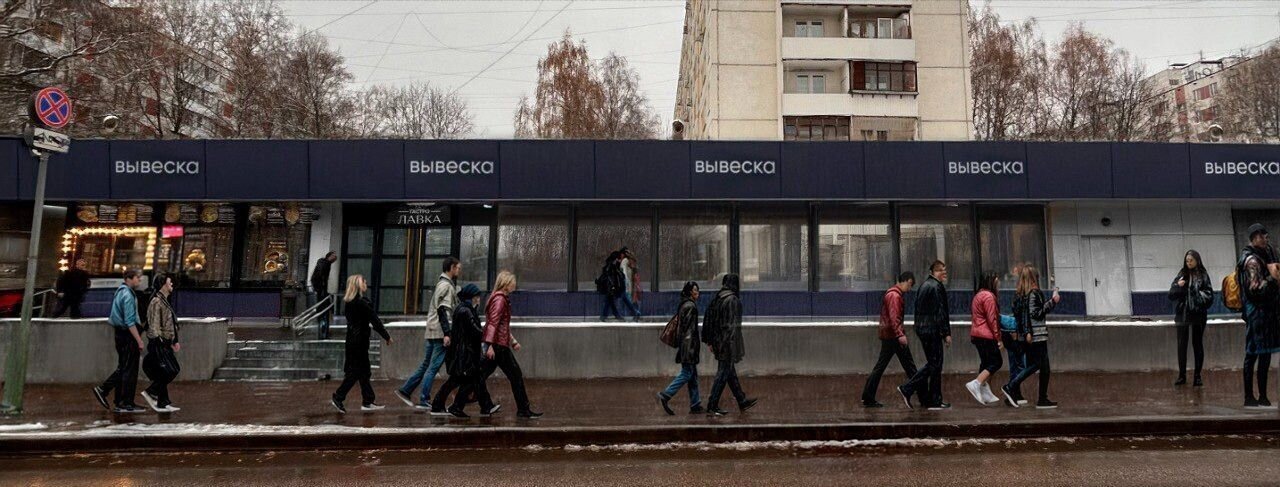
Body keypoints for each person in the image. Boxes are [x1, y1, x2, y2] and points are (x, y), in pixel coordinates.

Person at [396, 257, 460, 409]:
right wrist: (447, 333)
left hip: (432, 329)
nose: (458, 271)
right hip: (439, 331)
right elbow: (443, 310)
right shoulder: (447, 286)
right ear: (451, 267)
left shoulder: (440, 284)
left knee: (426, 365)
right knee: (433, 366)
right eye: (457, 268)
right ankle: (424, 399)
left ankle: (406, 390)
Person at [430, 283, 498, 418]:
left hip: (464, 354)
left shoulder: (466, 309)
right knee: (460, 380)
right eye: (477, 297)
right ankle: (450, 406)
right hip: (464, 355)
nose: (479, 300)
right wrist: (488, 335)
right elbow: (474, 330)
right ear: (472, 297)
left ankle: (485, 406)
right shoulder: (465, 311)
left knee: (471, 379)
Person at [481, 271, 542, 418]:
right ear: (506, 283)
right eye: (512, 282)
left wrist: (512, 341)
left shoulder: (500, 298)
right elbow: (493, 324)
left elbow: (501, 326)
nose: (514, 285)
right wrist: (488, 345)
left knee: (479, 376)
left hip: (498, 344)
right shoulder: (500, 300)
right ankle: (523, 409)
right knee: (516, 376)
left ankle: (458, 403)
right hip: (498, 347)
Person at [1001, 266, 1061, 409]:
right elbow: (1036, 313)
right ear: (1035, 278)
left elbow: (1022, 315)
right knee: (1037, 365)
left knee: (1042, 367)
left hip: (1029, 335)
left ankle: (1042, 398)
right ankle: (1011, 386)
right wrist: (1053, 302)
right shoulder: (1034, 293)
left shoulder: (1021, 294)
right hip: (1037, 335)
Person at [331, 274, 392, 413]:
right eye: (364, 281)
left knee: (364, 372)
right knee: (355, 373)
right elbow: (375, 320)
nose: (366, 283)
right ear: (359, 285)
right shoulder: (361, 303)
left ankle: (368, 400)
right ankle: (338, 397)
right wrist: (386, 336)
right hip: (359, 343)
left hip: (353, 342)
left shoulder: (349, 302)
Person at [898, 261, 953, 410]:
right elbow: (941, 312)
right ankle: (912, 390)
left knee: (933, 364)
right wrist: (946, 333)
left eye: (944, 270)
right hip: (932, 330)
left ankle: (930, 399)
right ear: (933, 272)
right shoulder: (936, 287)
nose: (944, 273)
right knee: (935, 364)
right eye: (941, 271)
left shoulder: (924, 285)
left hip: (923, 330)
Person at [701, 273, 758, 416]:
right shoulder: (732, 300)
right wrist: (730, 346)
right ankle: (712, 405)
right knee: (722, 374)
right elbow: (731, 327)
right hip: (727, 343)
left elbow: (710, 321)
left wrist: (711, 341)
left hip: (718, 342)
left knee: (729, 373)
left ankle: (741, 400)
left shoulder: (719, 298)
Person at [92, 269, 147, 413]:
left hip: (120, 334)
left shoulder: (120, 292)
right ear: (129, 279)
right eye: (137, 278)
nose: (139, 281)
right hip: (128, 335)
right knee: (128, 369)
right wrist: (139, 340)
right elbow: (129, 321)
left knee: (124, 367)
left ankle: (121, 401)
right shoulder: (128, 295)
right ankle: (107, 391)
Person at [1237, 224, 1280, 408]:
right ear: (1253, 238)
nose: (1265, 239)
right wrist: (1273, 278)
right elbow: (1254, 290)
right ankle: (1249, 396)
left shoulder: (1268, 255)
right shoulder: (1252, 261)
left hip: (1268, 313)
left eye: (1265, 235)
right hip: (1256, 314)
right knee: (1252, 354)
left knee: (1265, 354)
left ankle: (1262, 396)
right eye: (1261, 236)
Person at [861, 272, 918, 408]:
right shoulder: (894, 295)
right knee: (908, 365)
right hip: (893, 337)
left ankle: (867, 396)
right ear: (906, 281)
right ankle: (923, 394)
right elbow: (894, 317)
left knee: (885, 366)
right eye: (909, 285)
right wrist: (900, 334)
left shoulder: (892, 294)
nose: (909, 289)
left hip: (889, 335)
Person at [1169, 249, 1214, 387]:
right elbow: (1171, 294)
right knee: (1182, 345)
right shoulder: (1182, 274)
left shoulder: (1203, 275)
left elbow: (1209, 296)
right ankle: (1182, 375)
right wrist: (1179, 287)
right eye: (1187, 261)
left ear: (1197, 260)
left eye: (1191, 260)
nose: (1189, 263)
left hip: (1198, 315)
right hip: (1183, 314)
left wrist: (1194, 292)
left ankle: (1197, 376)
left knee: (1197, 344)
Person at [657, 281, 702, 415]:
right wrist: (690, 350)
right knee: (687, 373)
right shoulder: (690, 307)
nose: (697, 293)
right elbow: (688, 331)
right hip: (688, 347)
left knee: (692, 375)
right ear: (690, 292)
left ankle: (695, 404)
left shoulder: (685, 305)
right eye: (695, 291)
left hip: (686, 347)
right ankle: (666, 394)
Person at [140, 274, 181, 413]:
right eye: (170, 282)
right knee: (171, 370)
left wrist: (174, 340)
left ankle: (163, 402)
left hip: (164, 341)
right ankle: (151, 392)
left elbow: (171, 323)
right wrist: (159, 340)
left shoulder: (164, 300)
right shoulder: (157, 301)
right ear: (163, 284)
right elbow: (154, 323)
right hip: (158, 342)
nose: (172, 285)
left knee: (162, 372)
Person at [966, 271, 1004, 405]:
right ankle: (977, 383)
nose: (998, 285)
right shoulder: (988, 296)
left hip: (977, 334)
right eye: (996, 282)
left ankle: (984, 389)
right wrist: (998, 338)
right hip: (986, 335)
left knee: (986, 362)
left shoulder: (978, 295)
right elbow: (992, 319)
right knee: (996, 362)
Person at [310, 251, 338, 339]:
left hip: (322, 290)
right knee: (324, 310)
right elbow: (320, 276)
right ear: (329, 256)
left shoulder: (325, 263)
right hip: (322, 291)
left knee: (324, 310)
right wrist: (321, 288)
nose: (335, 258)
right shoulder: (324, 264)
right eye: (334, 256)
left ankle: (323, 331)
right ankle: (323, 332)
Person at [620, 247, 643, 321]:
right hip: (632, 284)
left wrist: (625, 282)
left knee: (629, 300)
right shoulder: (631, 262)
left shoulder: (624, 261)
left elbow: (624, 273)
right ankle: (637, 313)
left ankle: (636, 313)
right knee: (632, 300)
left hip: (627, 285)